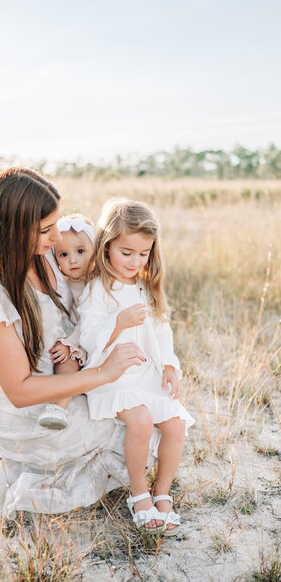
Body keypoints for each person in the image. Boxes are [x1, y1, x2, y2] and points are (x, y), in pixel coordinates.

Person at [0, 168, 160, 518]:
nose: (56, 236)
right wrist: (104, 374)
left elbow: (97, 271)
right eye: (46, 230)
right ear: (16, 231)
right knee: (133, 424)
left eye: (57, 223)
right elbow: (19, 391)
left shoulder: (47, 252)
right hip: (31, 411)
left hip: (70, 380)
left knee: (148, 407)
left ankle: (25, 464)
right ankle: (18, 464)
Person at [78, 198, 194, 534]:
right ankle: (138, 493)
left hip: (144, 373)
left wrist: (170, 365)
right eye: (126, 252)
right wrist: (118, 322)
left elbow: (162, 331)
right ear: (107, 245)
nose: (135, 261)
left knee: (174, 423)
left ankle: (162, 492)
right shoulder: (98, 289)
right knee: (142, 420)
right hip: (111, 377)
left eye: (143, 253)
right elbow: (88, 338)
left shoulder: (146, 286)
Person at [37, 214, 95, 430]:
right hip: (77, 335)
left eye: (80, 251)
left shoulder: (95, 284)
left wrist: (70, 342)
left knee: (67, 357)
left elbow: (90, 321)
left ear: (95, 251)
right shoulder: (65, 283)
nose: (73, 259)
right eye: (63, 254)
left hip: (90, 337)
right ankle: (58, 407)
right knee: (64, 361)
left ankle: (59, 404)